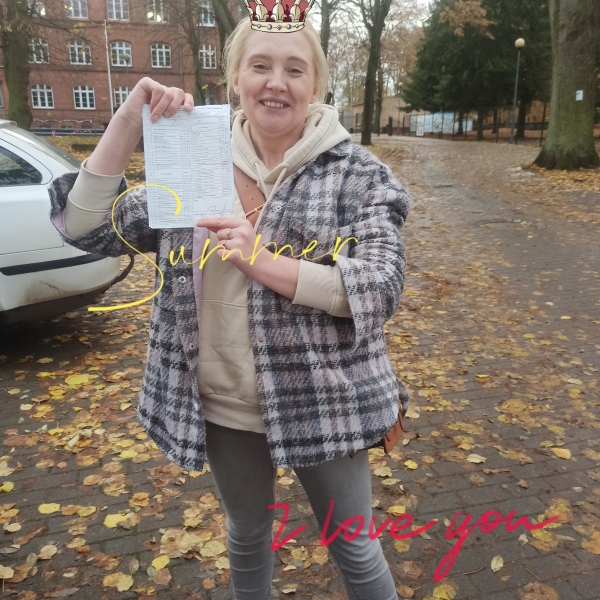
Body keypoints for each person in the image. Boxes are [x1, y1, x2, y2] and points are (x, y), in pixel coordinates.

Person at [48, 17, 411, 600]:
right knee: (247, 533)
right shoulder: (194, 159)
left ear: (315, 85)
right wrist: (128, 120)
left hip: (326, 399)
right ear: (236, 78)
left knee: (353, 545)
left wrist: (261, 260)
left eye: (295, 69)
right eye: (260, 65)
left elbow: (380, 286)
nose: (276, 82)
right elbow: (86, 226)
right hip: (224, 407)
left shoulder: (356, 175)